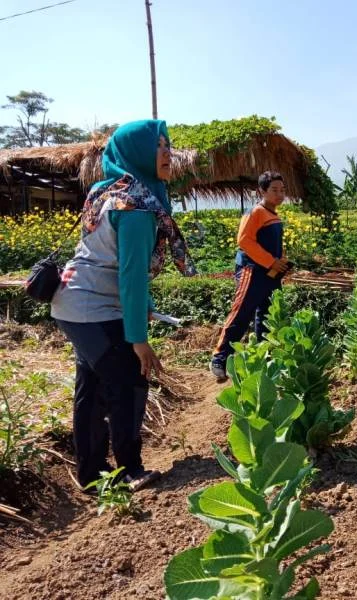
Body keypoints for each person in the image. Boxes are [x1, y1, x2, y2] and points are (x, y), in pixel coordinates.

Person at [51, 120, 196, 492]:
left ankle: (93, 475)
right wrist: (139, 339)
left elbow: (112, 259)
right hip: (94, 307)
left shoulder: (108, 190)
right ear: (136, 153)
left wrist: (143, 304)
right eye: (157, 146)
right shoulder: (135, 205)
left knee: (93, 386)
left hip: (76, 303)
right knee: (130, 380)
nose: (167, 153)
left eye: (168, 145)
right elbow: (130, 275)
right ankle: (129, 470)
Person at [210, 172, 291, 381]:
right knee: (241, 313)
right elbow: (244, 241)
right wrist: (271, 261)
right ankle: (219, 359)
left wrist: (280, 261)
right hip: (252, 270)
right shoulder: (255, 212)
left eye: (282, 190)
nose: (279, 194)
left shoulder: (273, 214)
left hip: (271, 273)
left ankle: (264, 359)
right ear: (262, 191)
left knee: (266, 315)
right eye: (274, 190)